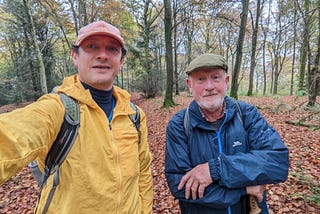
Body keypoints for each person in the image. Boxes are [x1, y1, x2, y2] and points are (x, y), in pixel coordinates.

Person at [0, 21, 153, 214]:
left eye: (112, 49)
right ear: (75, 56)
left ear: (121, 60)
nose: (103, 55)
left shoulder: (134, 115)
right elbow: (13, 134)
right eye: (92, 46)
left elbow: (144, 172)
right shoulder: (58, 108)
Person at [165, 53, 289, 214]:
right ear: (189, 85)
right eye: (201, 79)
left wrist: (215, 169)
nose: (209, 86)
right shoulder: (180, 125)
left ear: (226, 81)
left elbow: (277, 162)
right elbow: (180, 185)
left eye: (215, 77)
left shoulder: (246, 115)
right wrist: (244, 190)